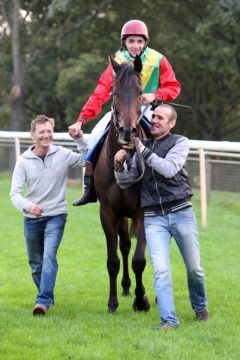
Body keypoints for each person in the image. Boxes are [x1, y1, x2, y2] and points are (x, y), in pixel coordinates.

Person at [113, 104, 208, 329]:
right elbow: (127, 181)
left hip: (181, 212)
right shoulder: (141, 146)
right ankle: (169, 321)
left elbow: (168, 169)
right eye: (153, 116)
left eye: (161, 117)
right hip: (154, 217)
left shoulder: (180, 142)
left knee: (194, 268)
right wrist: (119, 166)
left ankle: (200, 306)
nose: (154, 120)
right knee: (161, 271)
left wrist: (141, 149)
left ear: (171, 123)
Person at [68, 19, 181, 206]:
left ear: (145, 42)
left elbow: (174, 87)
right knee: (95, 138)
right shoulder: (117, 62)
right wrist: (81, 120)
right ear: (124, 43)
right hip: (120, 111)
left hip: (147, 110)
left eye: (139, 41)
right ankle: (89, 187)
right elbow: (101, 92)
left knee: (159, 143)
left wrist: (156, 94)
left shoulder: (158, 59)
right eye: (131, 41)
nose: (135, 45)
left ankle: (165, 188)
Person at [10, 115, 87, 316]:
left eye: (49, 131)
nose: (46, 135)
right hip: (32, 218)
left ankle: (42, 301)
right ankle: (46, 295)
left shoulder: (61, 153)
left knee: (48, 256)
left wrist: (79, 140)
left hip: (56, 215)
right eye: (41, 131)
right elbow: (14, 194)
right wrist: (28, 206)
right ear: (33, 135)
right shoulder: (23, 161)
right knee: (36, 264)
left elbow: (86, 159)